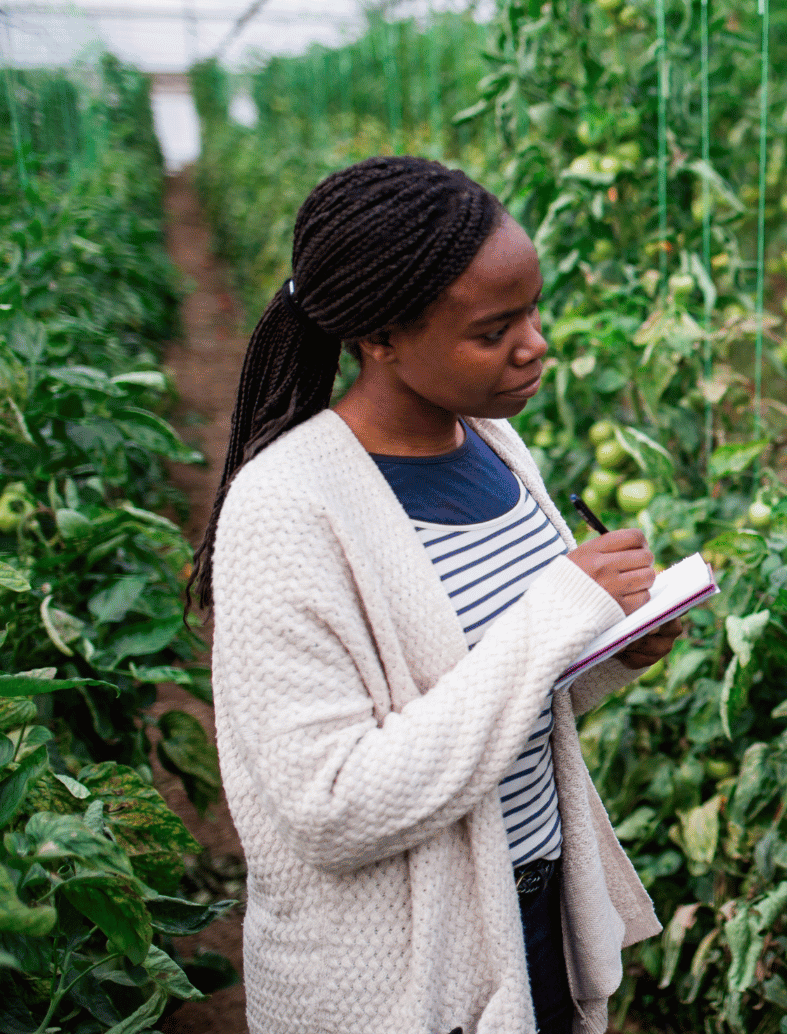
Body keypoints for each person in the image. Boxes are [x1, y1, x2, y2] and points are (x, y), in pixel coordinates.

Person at [188, 157, 683, 1034]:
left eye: (532, 310)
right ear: (380, 338)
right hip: (401, 971)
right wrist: (555, 616)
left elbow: (502, 696)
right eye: (494, 330)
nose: (534, 344)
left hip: (532, 902)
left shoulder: (495, 447)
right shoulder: (288, 506)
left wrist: (609, 651)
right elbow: (333, 806)